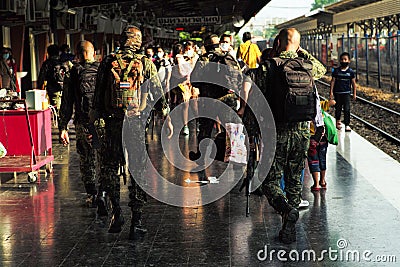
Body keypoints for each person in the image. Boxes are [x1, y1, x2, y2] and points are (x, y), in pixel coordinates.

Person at [92, 25, 172, 239]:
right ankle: (137, 220)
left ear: (121, 40)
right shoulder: (146, 63)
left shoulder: (108, 62)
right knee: (138, 169)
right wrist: (167, 116)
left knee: (109, 168)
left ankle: (116, 213)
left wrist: (95, 123)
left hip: (112, 123)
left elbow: (98, 96)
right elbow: (158, 93)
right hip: (135, 123)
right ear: (138, 42)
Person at [252, 28, 326, 244]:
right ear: (297, 43)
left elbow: (258, 104)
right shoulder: (308, 66)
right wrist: (300, 51)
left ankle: (284, 209)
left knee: (268, 180)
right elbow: (322, 68)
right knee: (294, 182)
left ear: (277, 42)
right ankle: (288, 228)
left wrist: (253, 132)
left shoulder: (267, 67)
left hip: (277, 133)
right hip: (302, 133)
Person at [58, 40, 100, 207]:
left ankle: (91, 194)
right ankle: (105, 192)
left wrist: (63, 127)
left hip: (83, 122)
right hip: (101, 123)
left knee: (86, 159)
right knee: (104, 158)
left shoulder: (72, 73)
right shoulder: (102, 71)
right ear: (93, 53)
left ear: (77, 55)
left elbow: (66, 103)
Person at [309, 98, 336, 191]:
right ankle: (323, 181)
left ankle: (316, 184)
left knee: (313, 159)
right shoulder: (319, 105)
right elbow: (331, 103)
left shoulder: (305, 109)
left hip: (312, 139)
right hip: (322, 137)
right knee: (322, 159)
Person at [330, 52, 357, 132]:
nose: (343, 61)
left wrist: (354, 94)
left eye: (345, 59)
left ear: (349, 61)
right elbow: (333, 81)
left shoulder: (350, 72)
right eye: (342, 59)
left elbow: (353, 83)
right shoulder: (336, 71)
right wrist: (331, 92)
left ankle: (347, 124)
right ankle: (338, 122)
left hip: (346, 93)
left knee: (347, 109)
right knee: (338, 108)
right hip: (337, 93)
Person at [37, 44, 65, 111]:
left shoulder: (47, 63)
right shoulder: (62, 62)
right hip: (64, 88)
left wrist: (39, 87)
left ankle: (58, 120)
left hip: (53, 89)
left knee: (56, 109)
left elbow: (42, 76)